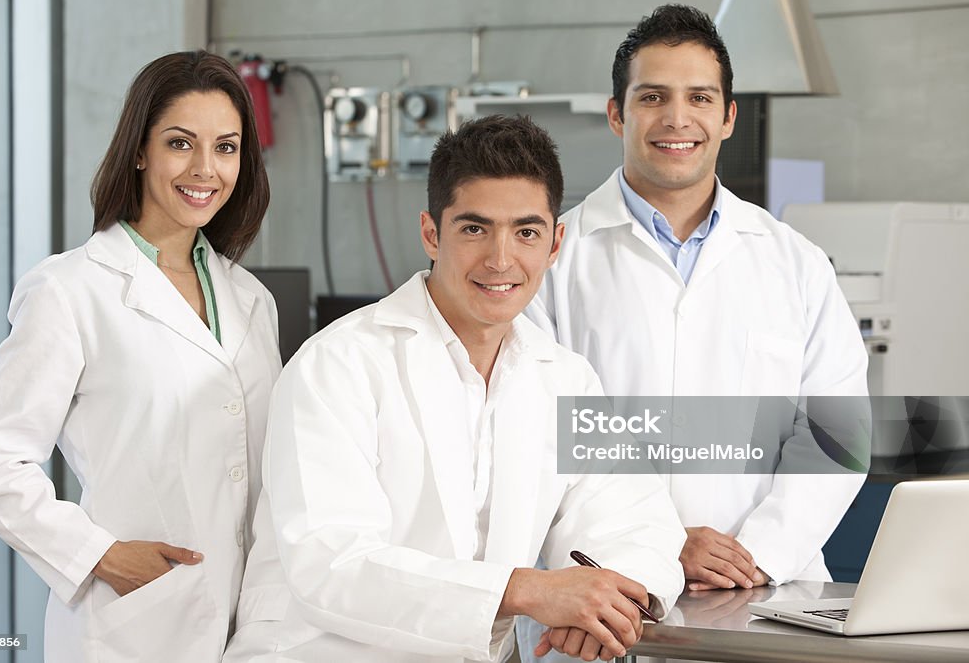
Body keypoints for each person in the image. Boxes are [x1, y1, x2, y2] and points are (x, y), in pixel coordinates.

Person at [223, 115, 686, 663]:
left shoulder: (564, 377)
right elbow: (333, 565)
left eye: (526, 232)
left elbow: (637, 517)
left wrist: (612, 601)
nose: (500, 259)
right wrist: (532, 591)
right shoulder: (339, 363)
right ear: (430, 233)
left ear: (555, 242)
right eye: (474, 228)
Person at [521, 3, 868, 660]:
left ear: (728, 116)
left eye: (699, 98)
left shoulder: (794, 262)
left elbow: (837, 432)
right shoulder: (552, 260)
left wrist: (758, 552)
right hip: (603, 600)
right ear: (617, 114)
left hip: (768, 599)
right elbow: (535, 433)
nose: (677, 119)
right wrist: (659, 540)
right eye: (653, 97)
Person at [0, 50, 282, 662]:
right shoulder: (70, 289)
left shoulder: (250, 300)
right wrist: (99, 555)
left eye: (227, 147)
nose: (206, 169)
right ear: (140, 148)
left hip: (253, 626)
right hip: (135, 625)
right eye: (181, 143)